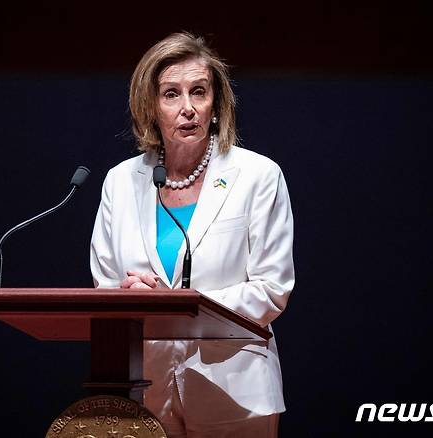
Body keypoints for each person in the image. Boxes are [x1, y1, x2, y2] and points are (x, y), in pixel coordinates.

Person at [90, 32, 295, 438]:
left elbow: (272, 289)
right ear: (150, 106)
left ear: (215, 104)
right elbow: (106, 284)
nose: (187, 108)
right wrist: (126, 297)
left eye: (198, 92)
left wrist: (180, 306)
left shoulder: (258, 176)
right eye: (171, 94)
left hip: (234, 389)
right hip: (146, 388)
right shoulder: (120, 181)